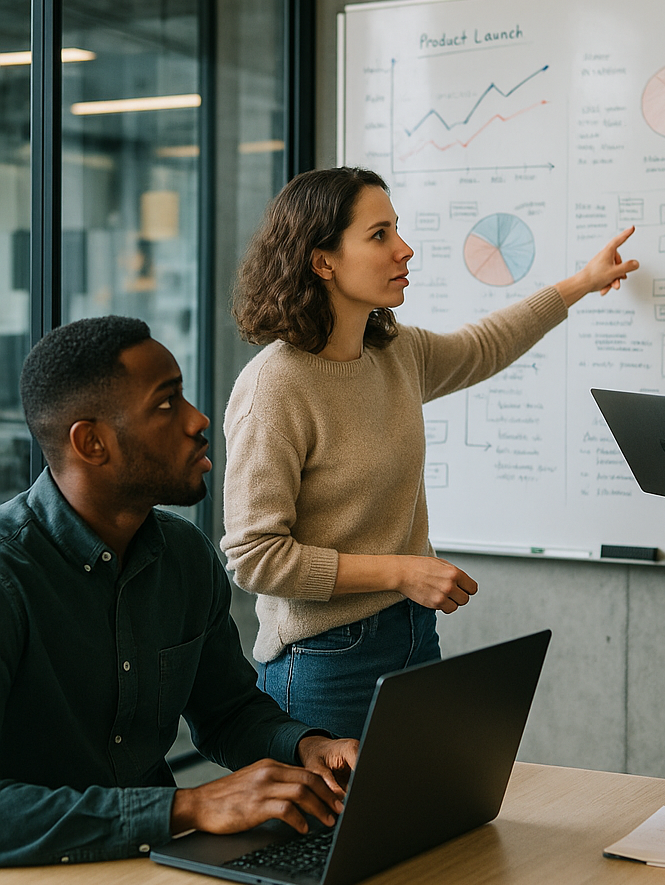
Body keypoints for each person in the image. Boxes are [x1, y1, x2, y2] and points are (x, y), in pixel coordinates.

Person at [222, 166, 638, 740]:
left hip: (413, 633)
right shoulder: (275, 387)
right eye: (379, 235)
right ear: (323, 261)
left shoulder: (394, 353)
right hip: (324, 660)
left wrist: (581, 283)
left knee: (418, 827)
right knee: (326, 833)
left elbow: (485, 345)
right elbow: (254, 558)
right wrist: (400, 571)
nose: (405, 249)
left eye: (397, 230)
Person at [0, 316, 359, 866]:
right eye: (167, 404)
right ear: (91, 442)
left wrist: (308, 747)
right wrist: (185, 808)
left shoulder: (185, 554)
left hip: (156, 865)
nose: (198, 420)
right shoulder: (9, 576)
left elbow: (228, 711)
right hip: (38, 884)